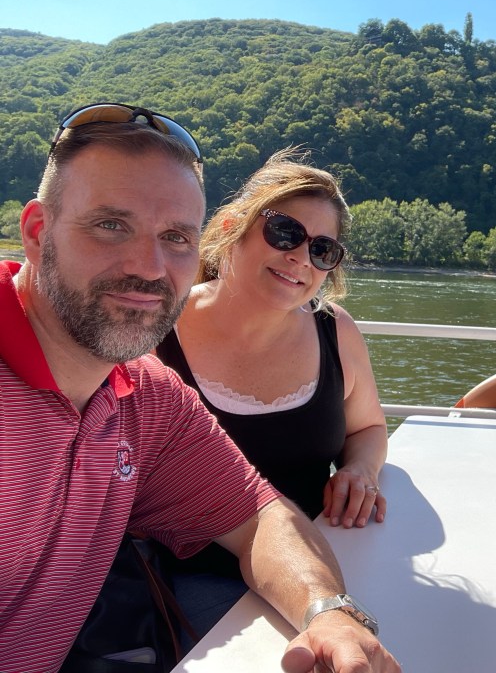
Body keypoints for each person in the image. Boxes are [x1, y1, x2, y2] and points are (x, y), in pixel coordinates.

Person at [0, 103, 399, 673]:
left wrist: (328, 612)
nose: (149, 266)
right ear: (38, 232)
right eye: (111, 225)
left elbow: (261, 518)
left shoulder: (148, 396)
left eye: (176, 236)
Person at [154, 148, 389, 635]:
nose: (300, 257)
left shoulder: (335, 331)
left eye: (322, 250)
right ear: (231, 228)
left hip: (317, 561)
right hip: (179, 579)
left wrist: (360, 469)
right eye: (285, 233)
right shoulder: (156, 327)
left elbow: (367, 426)